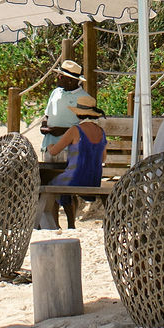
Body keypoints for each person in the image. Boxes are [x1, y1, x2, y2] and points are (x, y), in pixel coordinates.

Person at [43, 96, 107, 229]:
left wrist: (49, 146)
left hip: (75, 177)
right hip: (94, 179)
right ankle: (71, 224)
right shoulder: (101, 132)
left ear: (78, 114)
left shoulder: (75, 130)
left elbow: (54, 151)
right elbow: (103, 158)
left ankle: (55, 225)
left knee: (51, 185)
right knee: (65, 188)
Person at [42, 60, 94, 136]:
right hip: (49, 143)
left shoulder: (85, 99)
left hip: (71, 146)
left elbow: (88, 128)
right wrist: (44, 125)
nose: (57, 77)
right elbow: (47, 115)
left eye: (61, 76)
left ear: (71, 80)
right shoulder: (56, 92)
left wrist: (63, 131)